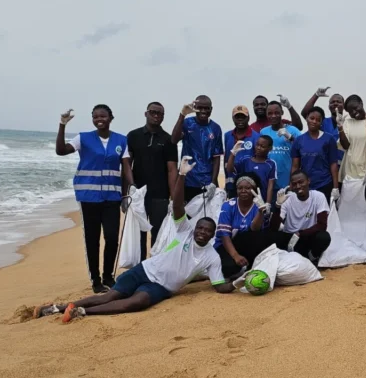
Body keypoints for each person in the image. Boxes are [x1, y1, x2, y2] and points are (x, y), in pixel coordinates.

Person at [34, 157, 234, 322]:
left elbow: (220, 286)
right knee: (111, 295)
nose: (202, 232)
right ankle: (57, 308)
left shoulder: (212, 257)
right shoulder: (184, 231)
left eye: (207, 231)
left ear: (212, 235)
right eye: (200, 228)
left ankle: (81, 312)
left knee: (137, 302)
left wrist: (238, 283)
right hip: (145, 270)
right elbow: (178, 205)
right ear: (195, 227)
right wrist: (181, 175)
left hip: (161, 287)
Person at [55, 105, 134, 293]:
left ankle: (109, 277)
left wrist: (130, 191)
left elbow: (126, 169)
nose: (99, 119)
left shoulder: (121, 140)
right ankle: (96, 281)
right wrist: (62, 124)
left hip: (112, 197)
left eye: (103, 116)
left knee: (112, 238)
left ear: (110, 118)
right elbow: (61, 150)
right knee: (92, 240)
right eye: (95, 117)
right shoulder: (83, 138)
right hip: (88, 197)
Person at [126, 102, 178, 260]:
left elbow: (172, 169)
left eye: (160, 113)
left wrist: (173, 198)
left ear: (163, 117)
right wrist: (127, 192)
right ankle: (140, 266)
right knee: (138, 235)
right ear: (146, 113)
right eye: (153, 112)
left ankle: (155, 266)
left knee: (159, 234)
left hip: (160, 195)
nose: (156, 115)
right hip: (138, 195)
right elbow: (127, 164)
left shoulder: (169, 139)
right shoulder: (133, 136)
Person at [338, 94, 366, 239]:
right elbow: (345, 145)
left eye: (355, 107)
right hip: (351, 173)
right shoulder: (348, 123)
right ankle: (355, 238)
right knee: (352, 210)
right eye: (350, 111)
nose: (354, 112)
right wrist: (340, 128)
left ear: (361, 103)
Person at [215, 173, 273, 277]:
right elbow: (224, 235)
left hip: (247, 245)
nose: (243, 191)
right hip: (227, 246)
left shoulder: (258, 205)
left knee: (259, 238)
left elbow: (255, 230)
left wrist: (260, 212)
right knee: (229, 268)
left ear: (254, 189)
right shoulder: (228, 205)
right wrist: (235, 255)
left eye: (247, 188)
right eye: (240, 188)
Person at [273, 171, 332, 264]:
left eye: (301, 182)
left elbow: (322, 225)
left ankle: (312, 258)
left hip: (307, 236)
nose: (298, 186)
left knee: (324, 237)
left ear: (308, 181)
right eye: (294, 184)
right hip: (290, 237)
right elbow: (274, 227)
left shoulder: (318, 196)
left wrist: (301, 233)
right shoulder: (287, 199)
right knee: (272, 236)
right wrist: (278, 206)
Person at [172, 95, 223, 202]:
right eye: (200, 108)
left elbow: (216, 157)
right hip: (188, 180)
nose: (203, 111)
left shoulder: (216, 128)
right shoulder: (187, 123)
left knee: (208, 213)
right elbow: (174, 140)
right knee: (187, 212)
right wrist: (182, 115)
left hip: (207, 182)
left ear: (211, 109)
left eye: (206, 108)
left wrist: (214, 182)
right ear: (194, 108)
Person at [291, 107, 340, 202]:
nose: (314, 121)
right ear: (307, 118)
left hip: (325, 184)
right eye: (312, 118)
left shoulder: (329, 139)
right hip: (305, 186)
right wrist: (292, 186)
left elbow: (333, 164)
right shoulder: (299, 140)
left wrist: (335, 187)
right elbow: (295, 166)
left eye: (318, 120)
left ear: (321, 122)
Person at [258, 100, 302, 204]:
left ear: (282, 112)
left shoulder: (293, 130)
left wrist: (291, 138)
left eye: (277, 113)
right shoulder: (263, 132)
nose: (273, 116)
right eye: (270, 113)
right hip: (269, 183)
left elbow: (303, 148)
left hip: (288, 182)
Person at [227, 134, 276, 203]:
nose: (258, 148)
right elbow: (229, 169)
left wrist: (268, 203)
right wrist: (233, 153)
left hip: (261, 200)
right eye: (257, 145)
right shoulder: (246, 160)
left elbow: (270, 186)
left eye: (262, 146)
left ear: (270, 148)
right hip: (244, 199)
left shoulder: (271, 164)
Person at [223, 105, 259, 199]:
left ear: (248, 118)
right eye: (237, 117)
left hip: (248, 184)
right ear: (233, 118)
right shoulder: (227, 135)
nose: (240, 119)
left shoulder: (256, 136)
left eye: (243, 117)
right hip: (231, 183)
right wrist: (226, 182)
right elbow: (226, 159)